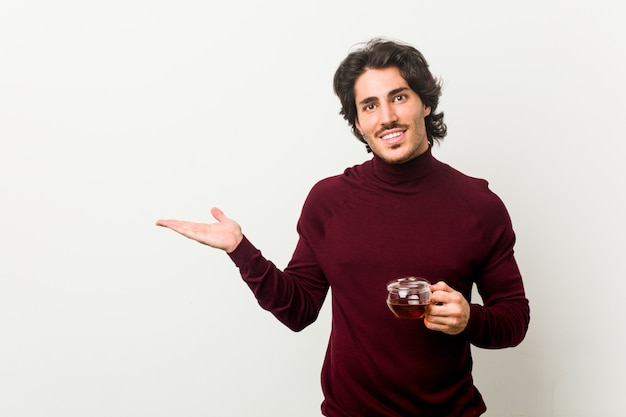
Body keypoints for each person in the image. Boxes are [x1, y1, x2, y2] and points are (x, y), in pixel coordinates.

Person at [156, 38, 530, 417]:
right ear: (357, 121)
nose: (386, 117)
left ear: (425, 103)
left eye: (399, 97)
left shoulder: (479, 206)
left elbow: (514, 318)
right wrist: (241, 250)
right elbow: (298, 310)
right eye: (370, 106)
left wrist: (470, 319)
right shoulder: (329, 201)